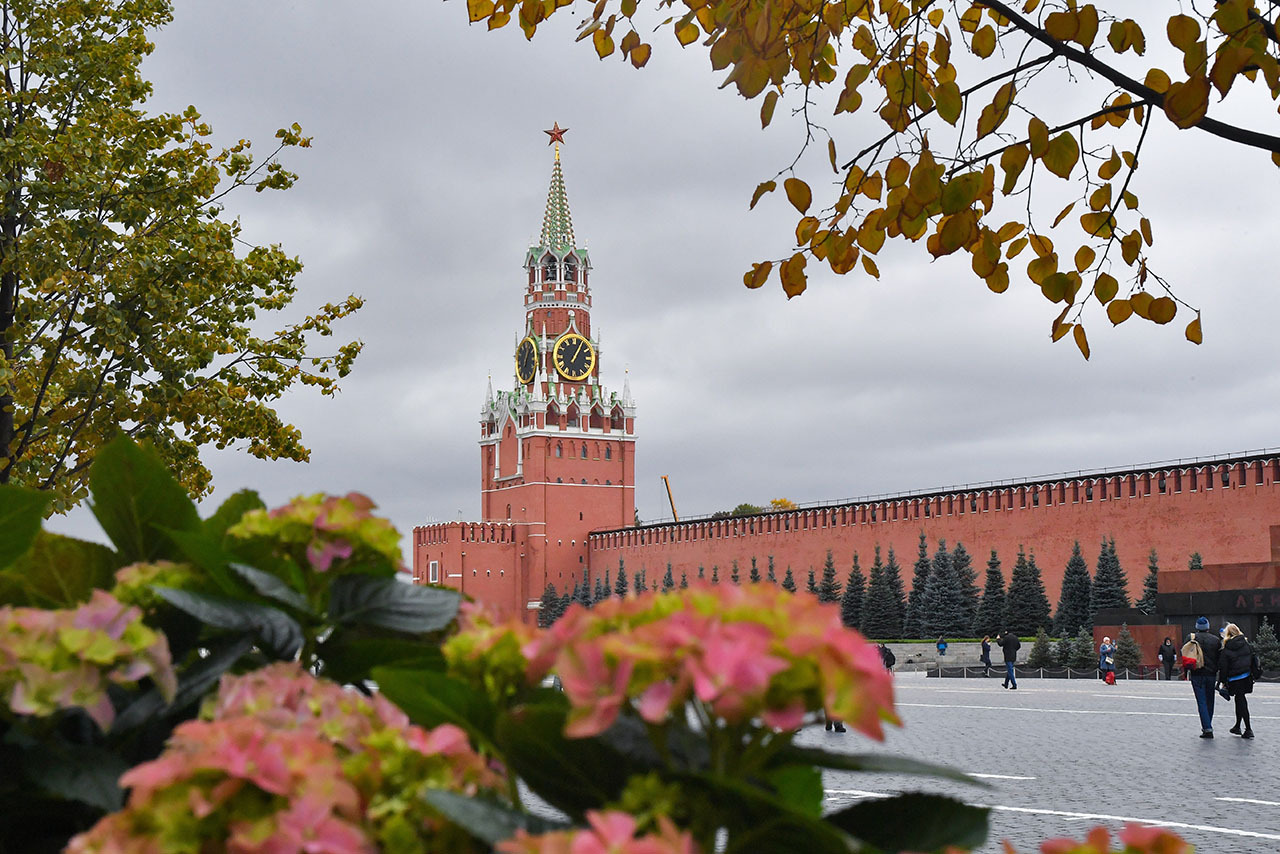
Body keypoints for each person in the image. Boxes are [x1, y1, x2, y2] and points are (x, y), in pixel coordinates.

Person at [1185, 616, 1222, 738]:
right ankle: (1208, 725)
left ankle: (1207, 728)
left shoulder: (1191, 638)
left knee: (1201, 701)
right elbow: (1219, 659)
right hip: (1211, 675)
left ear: (1197, 627)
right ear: (1208, 627)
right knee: (1210, 701)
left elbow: (1185, 655)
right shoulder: (1216, 640)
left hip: (1197, 674)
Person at [1218, 623, 1255, 739]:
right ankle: (1238, 726)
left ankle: (1248, 729)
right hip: (1246, 676)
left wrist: (1222, 682)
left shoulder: (1227, 647)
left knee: (1241, 701)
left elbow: (1223, 667)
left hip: (1235, 678)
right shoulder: (1246, 644)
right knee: (1240, 700)